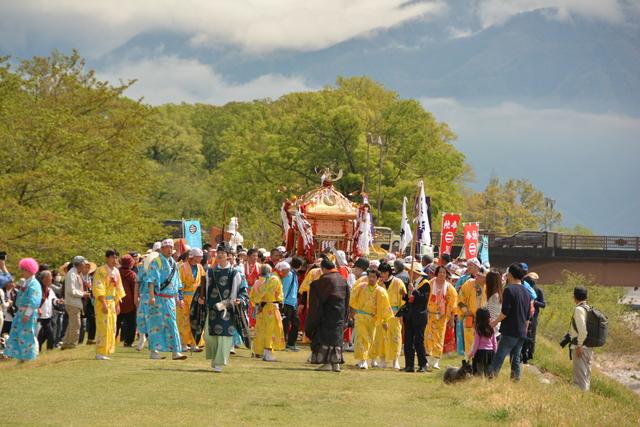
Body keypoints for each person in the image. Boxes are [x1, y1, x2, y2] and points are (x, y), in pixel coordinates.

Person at [199, 244, 248, 372]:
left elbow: (243, 290)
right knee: (210, 336)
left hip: (228, 307)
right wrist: (201, 298)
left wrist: (240, 300)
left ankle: (220, 362)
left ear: (229, 256)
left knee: (224, 335)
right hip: (212, 307)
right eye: (218, 252)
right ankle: (215, 358)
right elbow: (204, 289)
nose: (220, 255)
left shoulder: (235, 272)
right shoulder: (210, 271)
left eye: (223, 253)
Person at [305, 258, 350, 372]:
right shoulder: (342, 279)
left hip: (328, 312)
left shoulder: (325, 279)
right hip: (340, 313)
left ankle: (328, 364)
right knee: (336, 338)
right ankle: (336, 364)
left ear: (324, 268)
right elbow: (347, 298)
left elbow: (316, 289)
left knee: (326, 337)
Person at [489, 263, 532, 381]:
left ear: (511, 275)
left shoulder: (509, 290)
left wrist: (494, 323)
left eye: (507, 274)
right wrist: (525, 330)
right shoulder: (526, 292)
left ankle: (491, 377)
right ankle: (515, 380)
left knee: (500, 355)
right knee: (516, 357)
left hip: (510, 330)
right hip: (521, 331)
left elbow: (505, 312)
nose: (506, 276)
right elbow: (528, 316)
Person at [147, 239, 187, 361]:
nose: (170, 250)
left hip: (170, 300)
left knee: (172, 324)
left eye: (171, 248)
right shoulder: (156, 262)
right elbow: (151, 280)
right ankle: (154, 351)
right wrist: (152, 296)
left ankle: (176, 351)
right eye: (167, 247)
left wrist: (179, 299)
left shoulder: (174, 263)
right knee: (156, 324)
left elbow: (178, 283)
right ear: (162, 249)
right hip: (159, 298)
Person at [349, 268, 393, 370]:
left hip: (373, 318)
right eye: (370, 276)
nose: (371, 279)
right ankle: (362, 360)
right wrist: (352, 312)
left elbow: (384, 307)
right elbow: (352, 299)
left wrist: (385, 320)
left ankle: (369, 359)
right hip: (360, 316)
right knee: (361, 338)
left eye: (374, 277)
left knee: (370, 339)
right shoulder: (360, 287)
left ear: (378, 278)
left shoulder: (381, 291)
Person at [5, 258, 43, 362]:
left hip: (27, 313)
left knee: (27, 334)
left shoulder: (34, 284)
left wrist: (27, 314)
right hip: (20, 312)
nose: (22, 272)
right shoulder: (26, 283)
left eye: (23, 270)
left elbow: (34, 300)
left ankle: (29, 356)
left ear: (29, 270)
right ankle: (21, 356)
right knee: (18, 334)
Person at [371, 262, 406, 369]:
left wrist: (401, 315)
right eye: (380, 272)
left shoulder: (398, 283)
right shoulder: (378, 284)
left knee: (395, 337)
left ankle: (395, 360)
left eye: (384, 272)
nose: (382, 274)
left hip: (394, 314)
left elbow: (403, 299)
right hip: (381, 315)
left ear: (389, 272)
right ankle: (382, 359)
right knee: (380, 337)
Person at [92, 250, 126, 360]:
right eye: (112, 257)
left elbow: (118, 288)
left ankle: (106, 351)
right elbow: (99, 287)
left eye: (116, 258)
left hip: (112, 302)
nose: (114, 260)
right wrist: (103, 303)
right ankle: (100, 352)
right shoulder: (101, 271)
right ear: (107, 258)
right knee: (103, 327)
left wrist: (117, 303)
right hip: (103, 301)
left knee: (112, 327)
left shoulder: (116, 271)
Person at [424, 265, 457, 370]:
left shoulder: (449, 287)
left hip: (442, 316)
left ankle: (436, 360)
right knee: (428, 336)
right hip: (429, 314)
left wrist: (451, 318)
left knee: (439, 337)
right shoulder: (430, 284)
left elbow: (452, 304)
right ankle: (428, 359)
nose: (442, 274)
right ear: (436, 273)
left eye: (444, 272)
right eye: (440, 272)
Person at [253, 262, 285, 362]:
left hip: (266, 306)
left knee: (265, 330)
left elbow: (256, 294)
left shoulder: (267, 280)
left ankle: (264, 352)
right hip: (270, 307)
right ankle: (267, 353)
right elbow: (267, 293)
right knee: (270, 331)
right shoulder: (274, 279)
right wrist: (261, 302)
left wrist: (259, 303)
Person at [402, 262, 430, 373]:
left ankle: (423, 364)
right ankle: (409, 365)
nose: (408, 273)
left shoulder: (425, 284)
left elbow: (423, 299)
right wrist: (405, 296)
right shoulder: (410, 282)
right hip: (409, 316)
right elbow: (410, 299)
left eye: (410, 271)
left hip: (419, 316)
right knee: (408, 341)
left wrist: (414, 290)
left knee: (418, 341)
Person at [177, 248, 206, 352]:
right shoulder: (182, 267)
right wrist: (179, 298)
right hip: (185, 297)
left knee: (196, 320)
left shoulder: (200, 267)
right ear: (193, 257)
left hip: (196, 298)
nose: (201, 258)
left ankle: (194, 344)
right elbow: (178, 285)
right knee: (185, 321)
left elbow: (203, 282)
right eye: (199, 256)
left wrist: (202, 296)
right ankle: (184, 344)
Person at [458, 266, 487, 359]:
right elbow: (460, 298)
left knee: (482, 340)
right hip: (469, 317)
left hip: (483, 319)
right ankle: (469, 360)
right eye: (477, 275)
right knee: (469, 339)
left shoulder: (488, 286)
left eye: (480, 276)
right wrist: (466, 311)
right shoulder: (469, 283)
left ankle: (479, 361)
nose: (477, 277)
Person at [61, 256, 90, 350]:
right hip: (72, 303)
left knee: (72, 325)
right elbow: (71, 290)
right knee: (76, 324)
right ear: (80, 264)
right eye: (84, 264)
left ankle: (66, 343)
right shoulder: (72, 274)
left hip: (75, 303)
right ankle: (72, 344)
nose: (85, 266)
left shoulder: (76, 273)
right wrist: (83, 294)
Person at [569, 286, 593, 391]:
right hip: (588, 347)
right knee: (586, 375)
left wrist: (579, 345)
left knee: (580, 378)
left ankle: (581, 400)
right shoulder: (588, 308)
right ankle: (584, 398)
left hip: (581, 347)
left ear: (574, 297)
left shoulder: (579, 309)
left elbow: (583, 331)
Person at [521, 272, 545, 363]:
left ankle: (529, 354)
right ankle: (522, 354)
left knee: (532, 336)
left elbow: (543, 304)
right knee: (524, 334)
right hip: (524, 315)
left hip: (534, 316)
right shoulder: (524, 288)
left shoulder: (538, 290)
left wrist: (534, 302)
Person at [279, 259, 301, 352]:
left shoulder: (293, 274)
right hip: (287, 302)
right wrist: (282, 302)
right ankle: (283, 343)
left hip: (292, 302)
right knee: (285, 324)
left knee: (295, 323)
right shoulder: (290, 274)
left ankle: (291, 343)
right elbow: (285, 288)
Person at [469, 307, 497, 377]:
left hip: (480, 353)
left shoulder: (478, 329)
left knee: (479, 373)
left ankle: (479, 385)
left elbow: (476, 344)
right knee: (489, 373)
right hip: (490, 353)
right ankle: (489, 386)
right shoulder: (491, 328)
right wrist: (495, 352)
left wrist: (472, 353)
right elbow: (494, 342)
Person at [117, 254, 137, 347]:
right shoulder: (132, 274)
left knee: (116, 323)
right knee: (131, 324)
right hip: (130, 302)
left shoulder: (116, 272)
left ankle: (112, 339)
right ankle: (128, 342)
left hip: (118, 301)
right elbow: (134, 289)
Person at [37, 270, 58, 351]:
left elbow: (54, 299)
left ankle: (47, 349)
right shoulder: (38, 289)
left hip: (47, 316)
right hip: (39, 317)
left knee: (48, 334)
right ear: (44, 279)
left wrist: (58, 301)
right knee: (45, 334)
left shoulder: (50, 289)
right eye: (50, 278)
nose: (51, 279)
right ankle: (41, 349)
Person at [485, 270, 504, 336]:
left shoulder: (494, 297)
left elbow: (492, 316)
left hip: (494, 331)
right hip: (496, 329)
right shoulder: (498, 294)